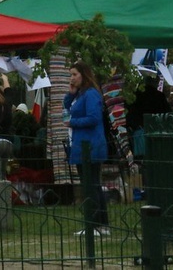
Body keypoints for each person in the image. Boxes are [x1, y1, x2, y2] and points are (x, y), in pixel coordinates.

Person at [64, 60, 110, 236]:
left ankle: (96, 224)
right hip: (82, 145)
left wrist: (73, 123)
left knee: (91, 185)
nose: (72, 78)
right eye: (70, 75)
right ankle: (99, 223)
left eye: (74, 74)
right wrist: (70, 95)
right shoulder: (79, 95)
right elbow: (67, 108)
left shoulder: (91, 94)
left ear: (84, 75)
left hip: (90, 145)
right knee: (89, 185)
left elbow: (93, 118)